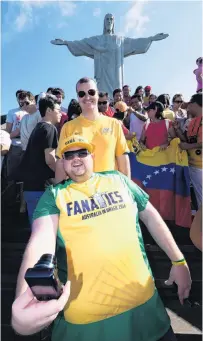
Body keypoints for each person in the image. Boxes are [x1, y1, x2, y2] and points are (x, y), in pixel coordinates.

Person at [12, 134, 191, 341]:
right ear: (62, 162)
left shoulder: (118, 179)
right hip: (86, 325)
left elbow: (151, 217)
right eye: (69, 155)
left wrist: (179, 261)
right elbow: (40, 242)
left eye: (82, 152)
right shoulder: (54, 195)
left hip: (146, 312)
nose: (76, 158)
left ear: (92, 156)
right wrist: (24, 299)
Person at [51, 13, 168, 96]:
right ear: (103, 22)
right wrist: (66, 43)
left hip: (116, 74)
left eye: (111, 19)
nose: (109, 21)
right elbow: (82, 44)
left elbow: (134, 43)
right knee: (102, 93)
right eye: (107, 19)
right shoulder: (97, 40)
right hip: (102, 73)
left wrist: (151, 39)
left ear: (114, 23)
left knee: (116, 93)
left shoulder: (119, 40)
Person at [56, 77, 130, 182]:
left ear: (97, 94)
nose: (87, 97)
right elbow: (61, 163)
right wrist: (59, 193)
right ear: (78, 97)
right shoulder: (68, 127)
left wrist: (128, 189)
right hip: (81, 193)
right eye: (82, 94)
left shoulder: (114, 124)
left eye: (91, 92)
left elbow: (122, 158)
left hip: (111, 191)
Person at [14, 95, 62, 224]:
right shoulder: (49, 128)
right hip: (42, 189)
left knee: (36, 230)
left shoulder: (37, 128)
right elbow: (50, 159)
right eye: (58, 110)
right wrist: (63, 177)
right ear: (49, 111)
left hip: (30, 188)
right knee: (47, 230)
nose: (61, 113)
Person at [179, 93, 202, 207]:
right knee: (198, 198)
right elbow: (187, 139)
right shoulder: (192, 121)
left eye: (190, 105)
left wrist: (186, 146)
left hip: (201, 167)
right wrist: (177, 129)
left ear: (195, 104)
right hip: (192, 165)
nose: (188, 108)